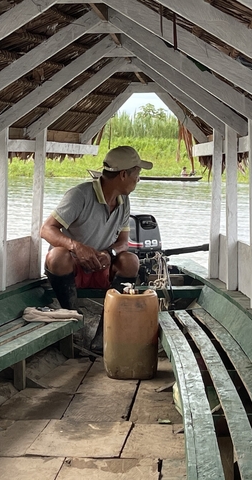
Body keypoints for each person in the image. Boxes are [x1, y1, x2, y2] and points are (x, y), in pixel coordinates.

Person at [40, 145, 152, 353]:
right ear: (124, 174)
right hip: (72, 268)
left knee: (131, 261)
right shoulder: (79, 195)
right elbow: (47, 229)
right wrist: (76, 247)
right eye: (137, 174)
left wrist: (110, 254)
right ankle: (72, 320)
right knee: (57, 256)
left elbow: (124, 242)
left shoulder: (124, 200)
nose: (138, 179)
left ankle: (105, 332)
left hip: (101, 266)